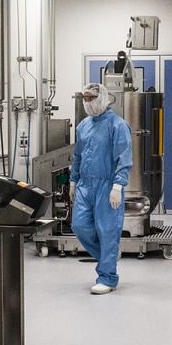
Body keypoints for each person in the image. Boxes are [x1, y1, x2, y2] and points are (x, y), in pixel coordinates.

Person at [70, 83, 133, 294]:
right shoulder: (83, 126)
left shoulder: (118, 125)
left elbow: (123, 157)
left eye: (92, 98)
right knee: (79, 225)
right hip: (85, 185)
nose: (88, 103)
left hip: (108, 185)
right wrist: (73, 180)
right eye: (85, 99)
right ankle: (109, 254)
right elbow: (77, 155)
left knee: (107, 230)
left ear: (103, 98)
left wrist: (118, 185)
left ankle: (107, 277)